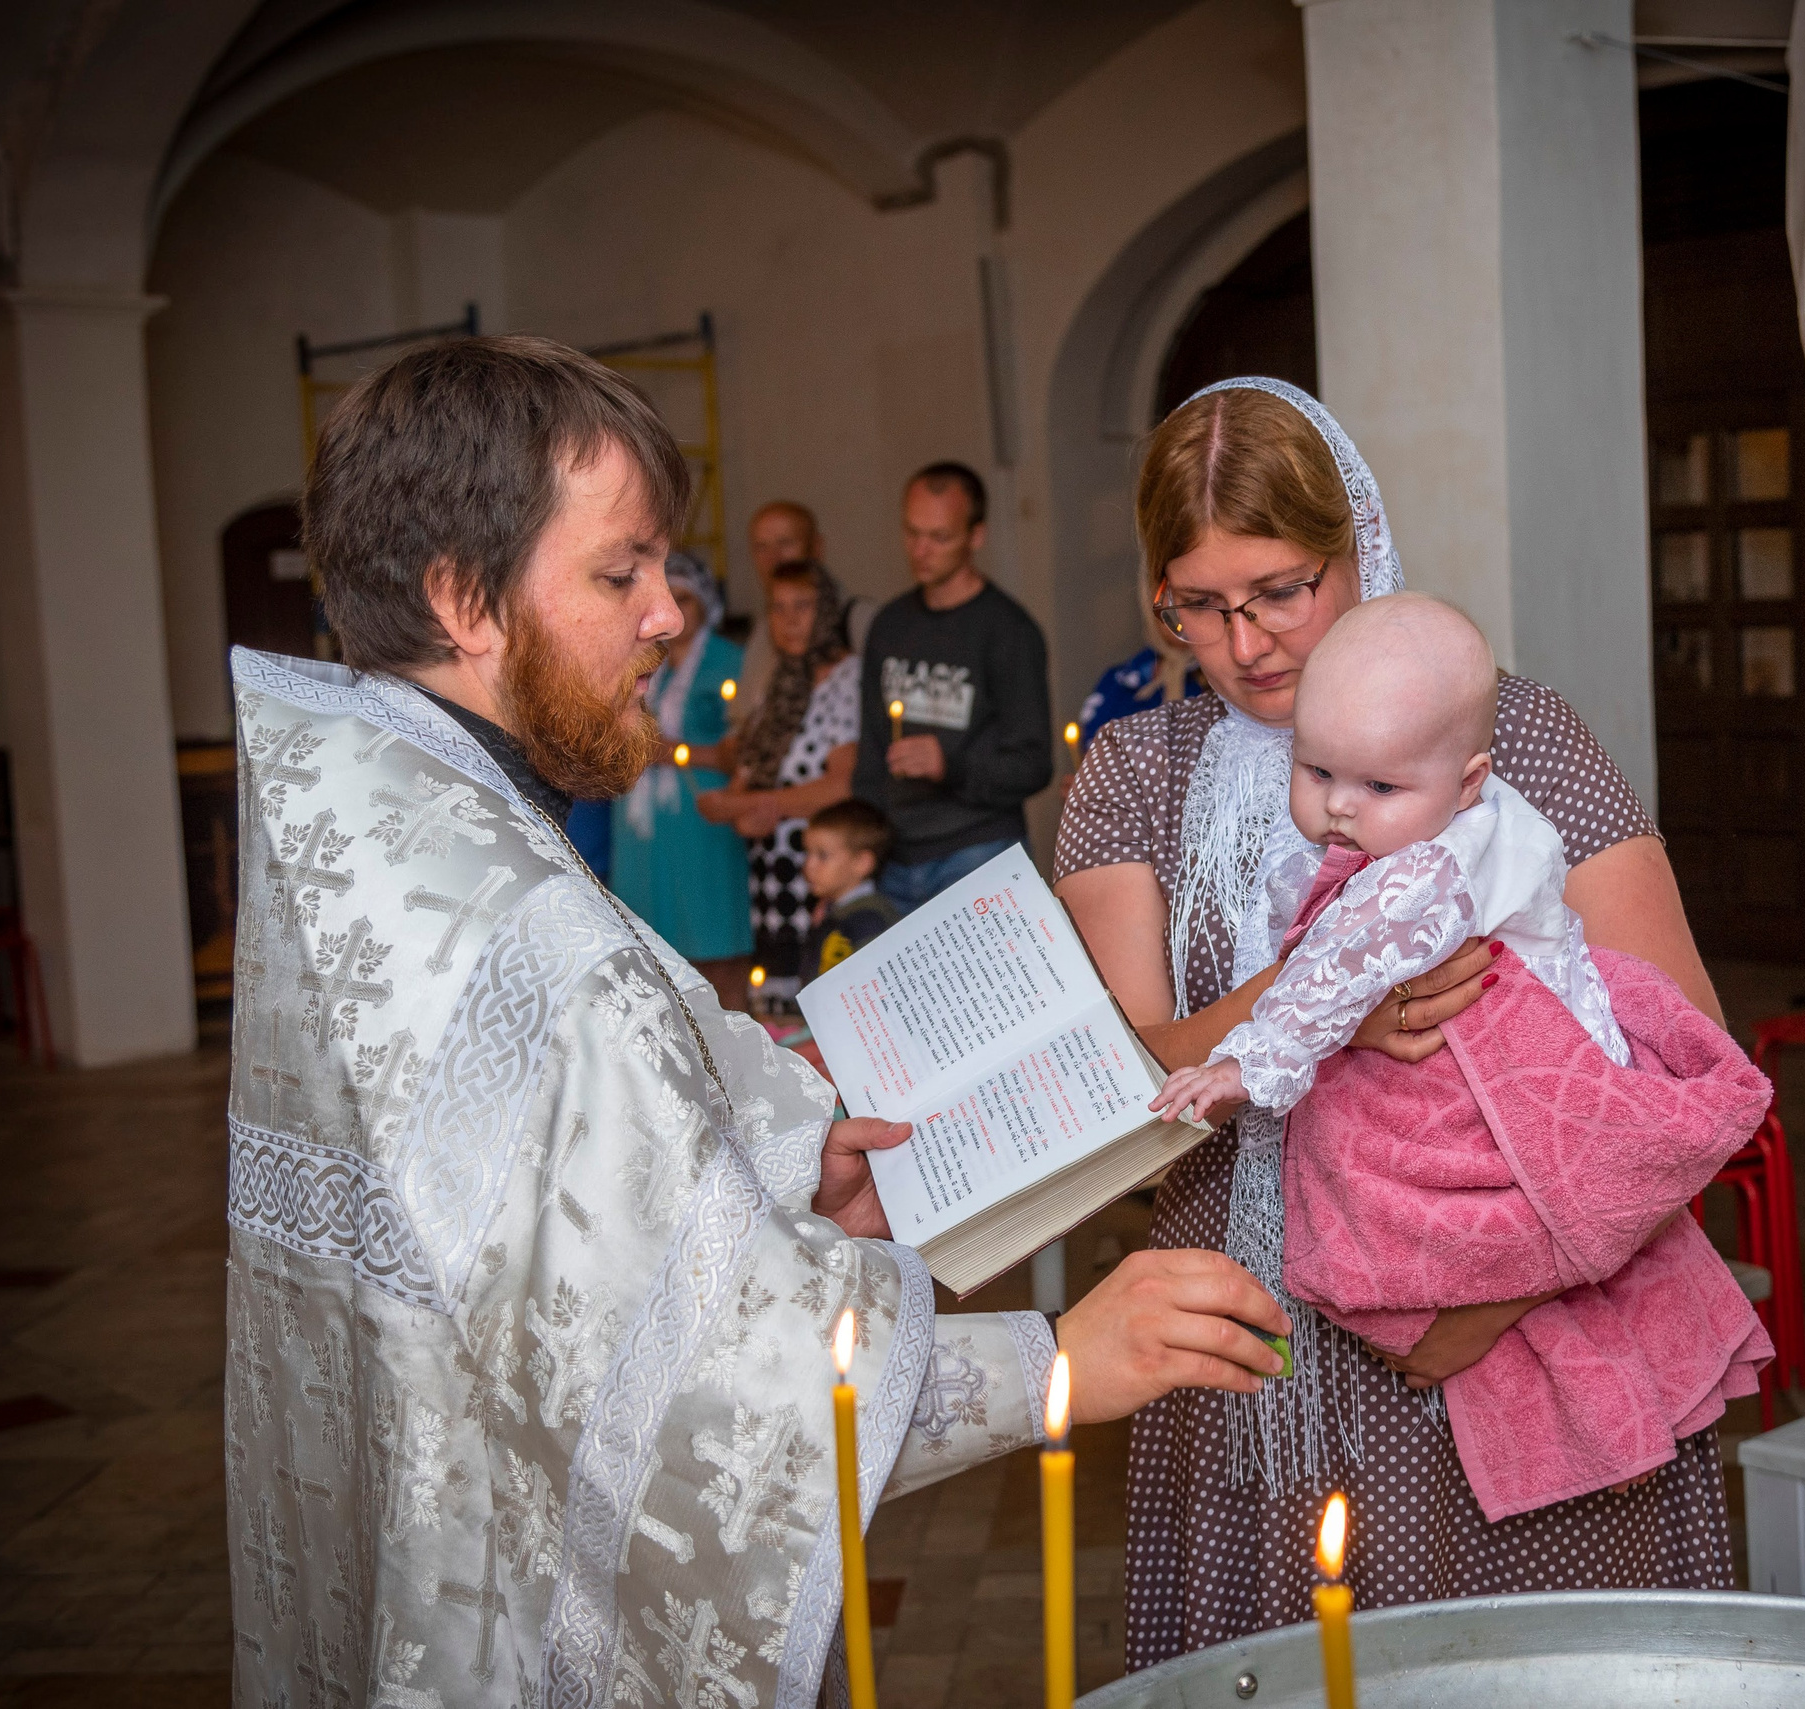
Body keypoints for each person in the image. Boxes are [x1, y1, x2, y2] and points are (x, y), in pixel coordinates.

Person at [224, 334, 1287, 1709]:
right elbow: (695, 1394)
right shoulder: (515, 931)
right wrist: (1062, 1358)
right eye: (621, 572)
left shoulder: (377, 837)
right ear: (459, 598)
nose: (671, 614)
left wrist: (784, 1164)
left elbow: (521, 1229)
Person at [1053, 377, 1733, 1671]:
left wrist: (1482, 1305)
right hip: (1250, 1339)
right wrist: (1326, 997)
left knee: (1521, 1670)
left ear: (1354, 543)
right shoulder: (1135, 772)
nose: (1245, 640)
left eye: (1281, 590)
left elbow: (1683, 1046)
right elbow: (1127, 1072)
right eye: (1198, 601)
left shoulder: (1510, 730)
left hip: (1535, 1297)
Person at [1151, 594, 1774, 1522]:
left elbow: (1321, 980)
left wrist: (1240, 1068)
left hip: (1522, 1067)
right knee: (1538, 1283)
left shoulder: (1425, 872)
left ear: (1470, 779)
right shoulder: (1435, 806)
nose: (1339, 808)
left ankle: (1605, 1424)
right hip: (1516, 1042)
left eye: (1376, 789)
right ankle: (1619, 1416)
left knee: (1419, 1232)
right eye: (1316, 771)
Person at [851, 462, 1052, 908]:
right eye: (911, 532)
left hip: (979, 851)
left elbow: (1035, 763)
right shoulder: (889, 624)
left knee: (989, 980)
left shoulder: (1008, 630)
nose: (921, 550)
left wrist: (951, 764)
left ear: (976, 536)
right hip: (893, 855)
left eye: (939, 537)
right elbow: (869, 754)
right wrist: (855, 853)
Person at [701, 561, 857, 1005]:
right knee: (776, 1013)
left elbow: (840, 787)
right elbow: (751, 773)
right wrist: (737, 808)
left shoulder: (847, 678)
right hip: (771, 880)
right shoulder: (781, 681)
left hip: (819, 876)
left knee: (820, 1007)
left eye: (802, 607)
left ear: (827, 611)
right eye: (778, 608)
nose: (789, 620)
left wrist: (750, 805)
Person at [609, 553, 751, 1009]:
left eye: (687, 598)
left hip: (701, 813)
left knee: (711, 937)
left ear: (707, 603)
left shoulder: (730, 661)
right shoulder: (645, 656)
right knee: (652, 950)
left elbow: (748, 749)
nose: (678, 608)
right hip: (645, 821)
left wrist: (675, 752)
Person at [732, 500, 875, 711]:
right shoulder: (764, 629)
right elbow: (743, 717)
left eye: (785, 544)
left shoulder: (859, 620)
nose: (773, 559)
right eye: (761, 547)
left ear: (816, 547)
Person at [800, 797, 901, 981]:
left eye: (822, 855)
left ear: (862, 863)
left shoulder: (869, 919)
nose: (809, 865)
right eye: (808, 853)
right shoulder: (834, 911)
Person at [1076, 616, 1203, 751]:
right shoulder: (1120, 678)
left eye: (1195, 601)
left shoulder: (1211, 682)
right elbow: (1092, 742)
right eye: (1159, 597)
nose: (1174, 614)